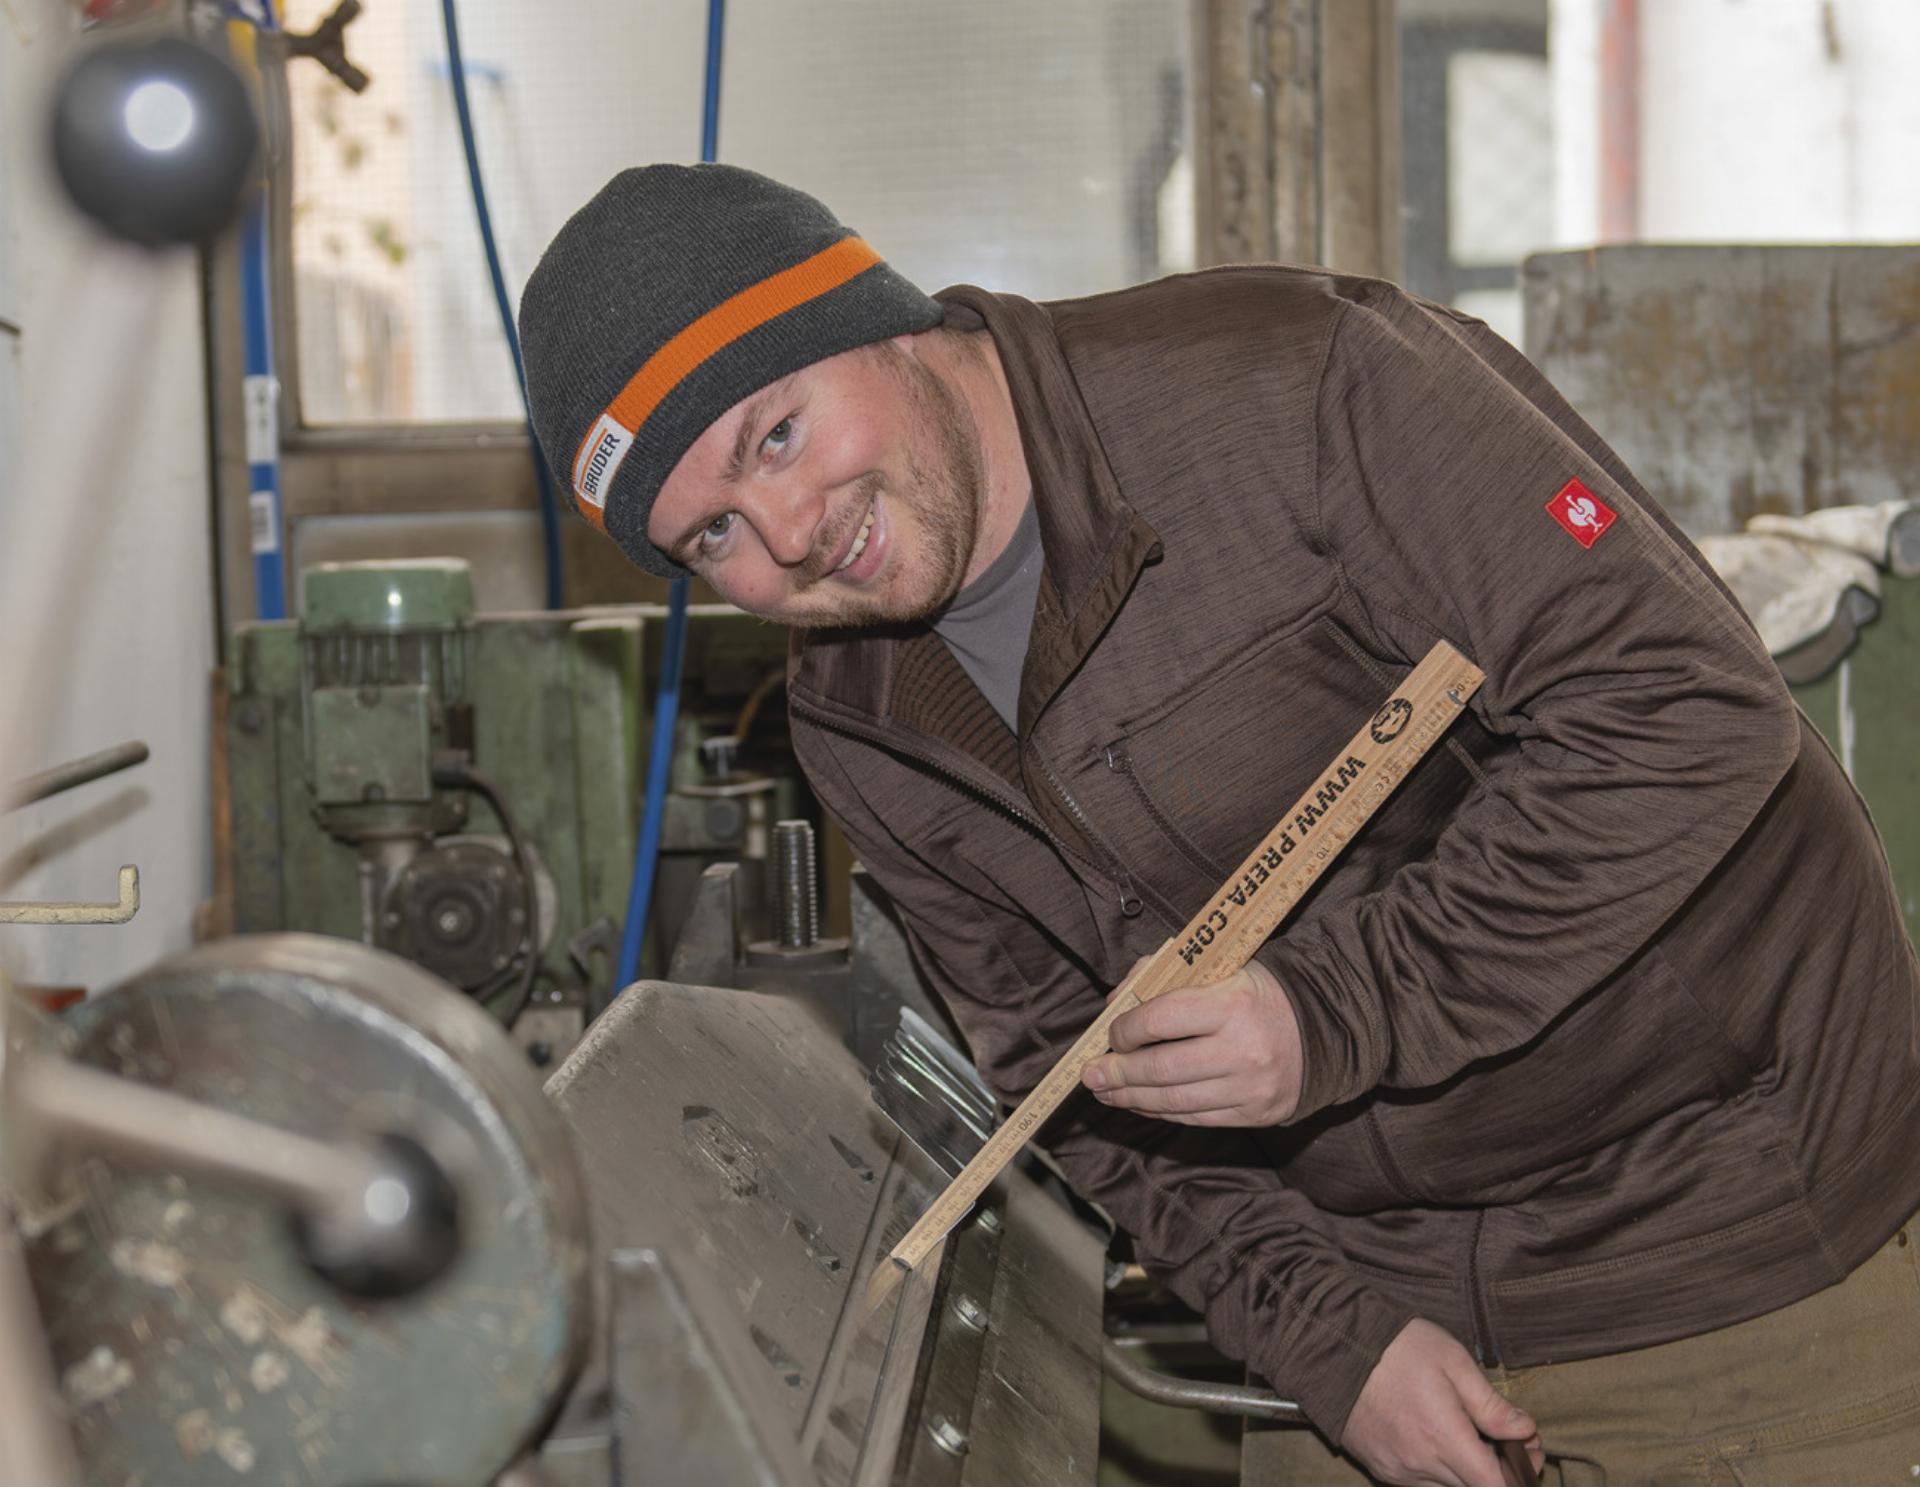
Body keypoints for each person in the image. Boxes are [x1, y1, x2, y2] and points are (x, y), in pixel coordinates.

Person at [518, 165, 1920, 1485]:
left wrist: (1333, 1012)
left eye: (777, 435)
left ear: (878, 321)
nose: (788, 535)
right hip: (1385, 1322)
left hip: (1739, 1248)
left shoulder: (1296, 386)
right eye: (710, 538)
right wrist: (1333, 1343)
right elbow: (1081, 1087)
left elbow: (1684, 711)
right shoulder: (859, 720)